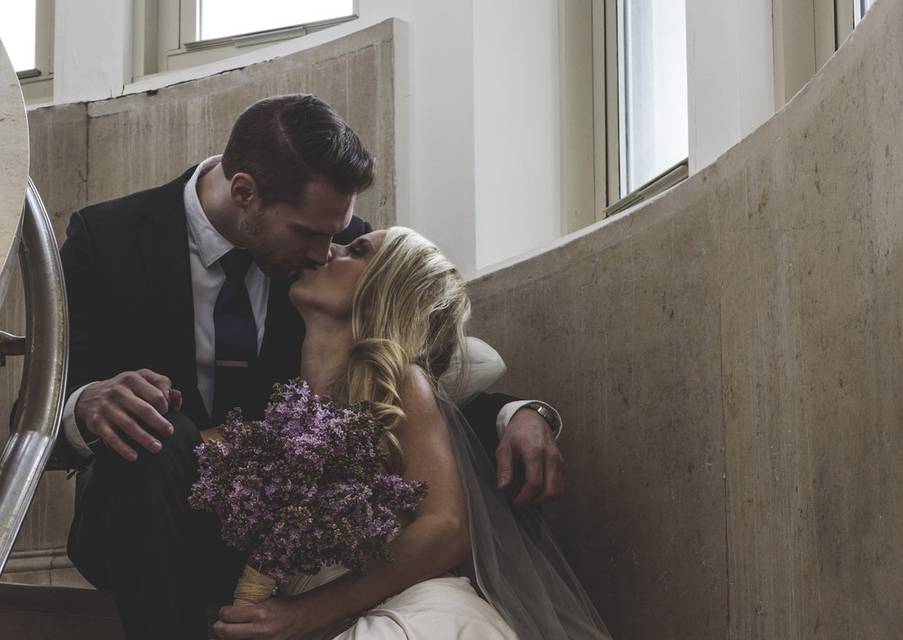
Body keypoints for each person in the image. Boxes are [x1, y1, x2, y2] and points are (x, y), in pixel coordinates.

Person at [58, 94, 566, 639]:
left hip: (293, 563)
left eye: (343, 237)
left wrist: (518, 412)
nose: (327, 250)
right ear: (244, 192)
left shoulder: (334, 253)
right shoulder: (105, 238)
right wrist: (85, 403)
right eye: (309, 234)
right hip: (148, 521)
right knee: (158, 438)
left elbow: (407, 378)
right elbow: (43, 412)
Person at [211, 227, 610, 640]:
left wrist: (307, 612)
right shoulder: (287, 405)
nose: (329, 249)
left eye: (356, 250)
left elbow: (447, 527)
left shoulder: (397, 383)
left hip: (412, 616)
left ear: (384, 287)